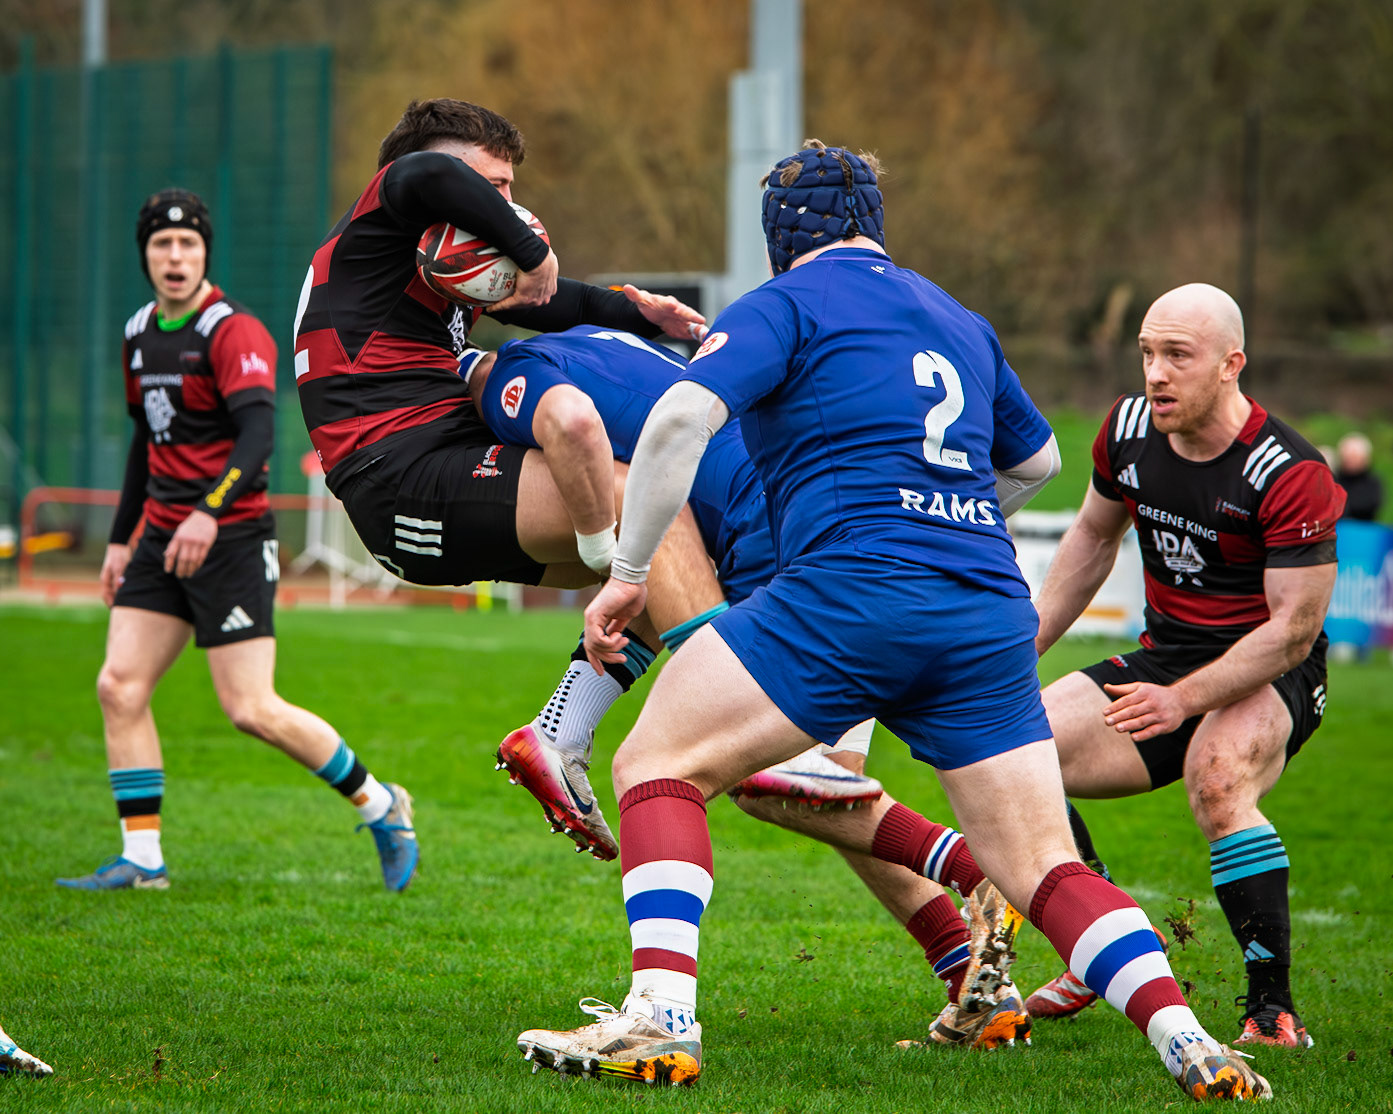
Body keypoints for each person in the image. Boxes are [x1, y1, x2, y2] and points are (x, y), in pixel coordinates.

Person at [513, 142, 1267, 1101]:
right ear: (874, 219)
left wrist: (625, 575)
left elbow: (672, 425)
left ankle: (659, 1018)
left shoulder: (786, 304)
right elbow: (1032, 465)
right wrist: (935, 501)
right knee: (1040, 864)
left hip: (852, 593)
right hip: (984, 608)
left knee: (655, 764)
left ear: (782, 235)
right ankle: (1186, 1038)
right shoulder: (957, 316)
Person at [469, 325, 1029, 1048]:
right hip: (805, 528)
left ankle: (978, 871)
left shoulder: (517, 380)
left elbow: (607, 473)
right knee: (820, 786)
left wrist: (599, 559)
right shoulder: (591, 341)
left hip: (782, 546)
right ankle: (972, 976)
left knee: (763, 777)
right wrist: (567, 716)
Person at [292, 99, 729, 862]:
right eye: (491, 186)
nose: (504, 203)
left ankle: (560, 733)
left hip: (435, 463)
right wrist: (528, 245)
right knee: (635, 502)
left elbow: (543, 302)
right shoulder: (385, 215)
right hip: (401, 480)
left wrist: (633, 310)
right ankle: (745, 707)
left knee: (675, 558)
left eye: (510, 188)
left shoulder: (426, 259)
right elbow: (430, 175)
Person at [57, 190, 418, 893]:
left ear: (204, 254)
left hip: (228, 536)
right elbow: (146, 442)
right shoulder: (137, 333)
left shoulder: (232, 330)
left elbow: (257, 437)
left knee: (251, 709)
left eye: (187, 245)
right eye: (162, 246)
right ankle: (144, 860)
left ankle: (383, 806)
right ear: (146, 258)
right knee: (119, 686)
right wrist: (118, 540)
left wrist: (207, 514)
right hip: (161, 536)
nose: (174, 257)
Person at [1022, 282, 1344, 1053]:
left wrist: (1181, 700)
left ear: (1231, 364)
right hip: (1167, 655)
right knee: (1012, 746)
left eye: (1176, 356)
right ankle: (1100, 941)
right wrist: (1014, 652)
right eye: (1145, 354)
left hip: (1273, 670)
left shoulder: (1287, 471)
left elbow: (1292, 633)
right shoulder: (1127, 431)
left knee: (1217, 777)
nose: (1155, 374)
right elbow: (1092, 542)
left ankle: (1272, 1014)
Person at [1334, 431, 1382, 521]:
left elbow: (1369, 505)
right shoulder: (1334, 480)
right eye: (1348, 457)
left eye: (1355, 457)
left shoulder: (1373, 482)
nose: (1351, 462)